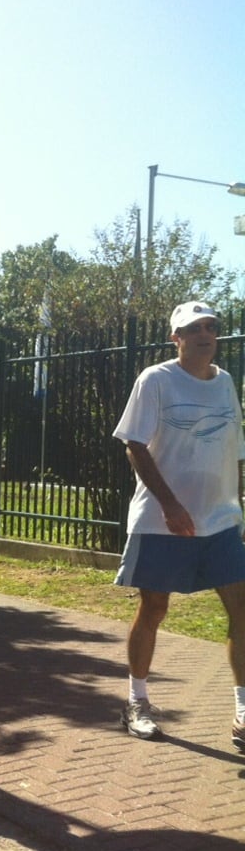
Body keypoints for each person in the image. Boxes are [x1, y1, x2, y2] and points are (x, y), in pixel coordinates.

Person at [113, 301, 245, 751]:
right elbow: (134, 444)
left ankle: (243, 712)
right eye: (194, 328)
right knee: (153, 609)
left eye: (211, 326)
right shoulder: (156, 379)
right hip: (161, 520)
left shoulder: (226, 383)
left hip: (221, 521)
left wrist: (238, 506)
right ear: (177, 338)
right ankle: (137, 701)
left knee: (242, 608)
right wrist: (169, 504)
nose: (205, 334)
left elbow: (235, 449)